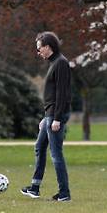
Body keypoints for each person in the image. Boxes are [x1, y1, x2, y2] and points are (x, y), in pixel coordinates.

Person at [21, 31, 72, 202]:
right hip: (50, 115)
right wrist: (46, 117)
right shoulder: (54, 63)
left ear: (48, 47)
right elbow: (53, 95)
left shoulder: (61, 63)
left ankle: (64, 193)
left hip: (56, 115)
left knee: (56, 154)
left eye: (39, 48)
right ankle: (34, 188)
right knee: (39, 147)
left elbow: (62, 94)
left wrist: (56, 118)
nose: (38, 52)